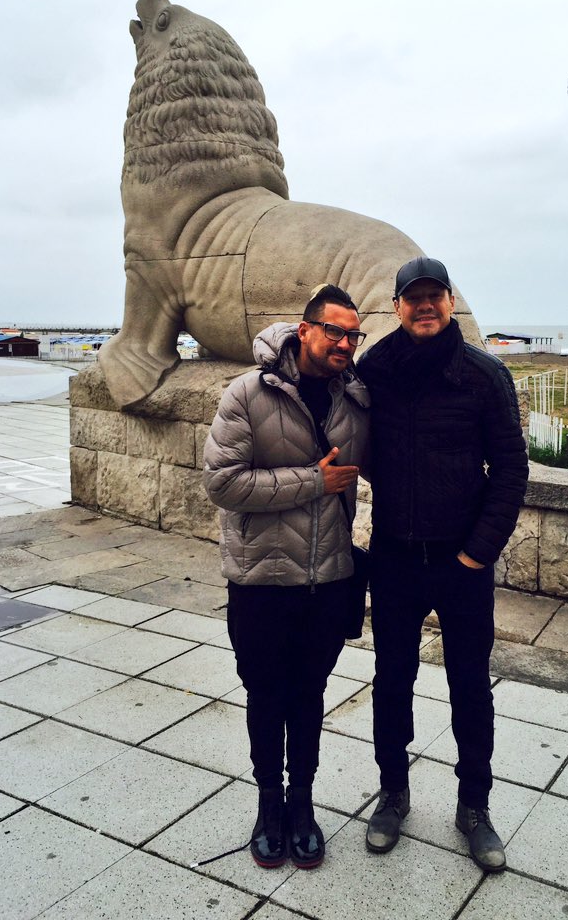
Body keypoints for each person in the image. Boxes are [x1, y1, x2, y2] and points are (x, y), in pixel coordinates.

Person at [356, 257, 528, 871]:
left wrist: (476, 552)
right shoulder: (374, 368)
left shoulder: (484, 374)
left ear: (451, 302)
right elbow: (353, 442)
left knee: (470, 688)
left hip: (462, 562)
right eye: (414, 297)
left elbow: (511, 470)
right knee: (391, 683)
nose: (425, 306)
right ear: (397, 307)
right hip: (396, 558)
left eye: (435, 295)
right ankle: (392, 794)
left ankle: (474, 806)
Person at [203, 284, 369, 869]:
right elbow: (222, 483)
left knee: (309, 695)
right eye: (335, 331)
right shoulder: (248, 393)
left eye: (354, 335)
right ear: (305, 330)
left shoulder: (356, 400)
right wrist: (313, 482)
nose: (345, 343)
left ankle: (302, 805)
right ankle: (268, 804)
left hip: (328, 578)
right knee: (266, 694)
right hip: (261, 581)